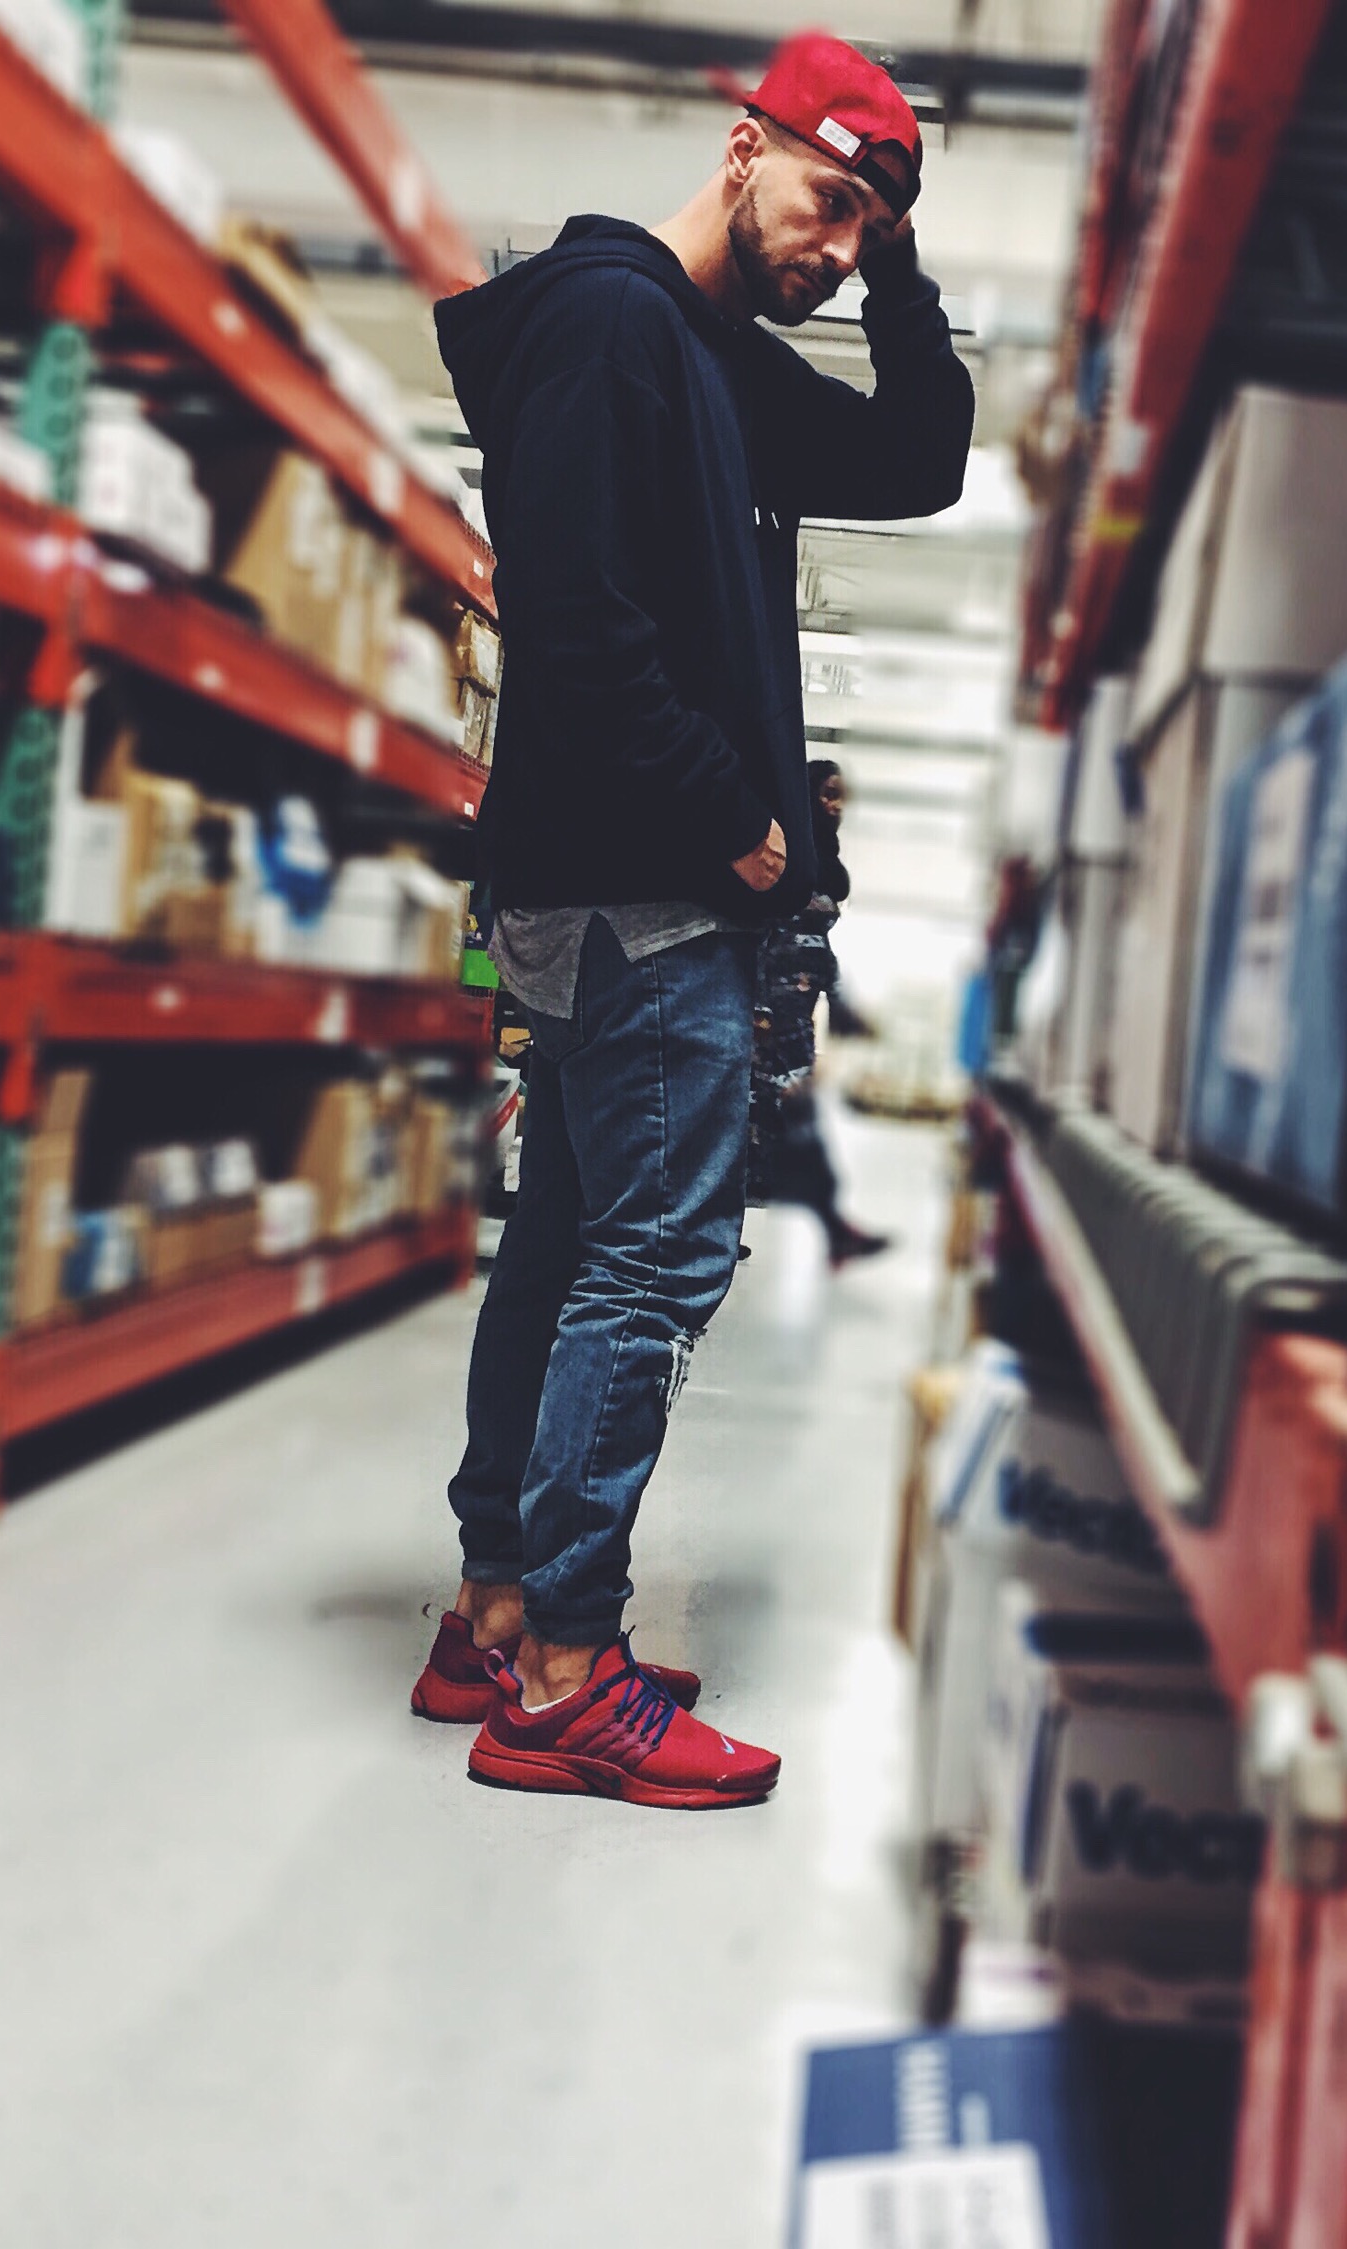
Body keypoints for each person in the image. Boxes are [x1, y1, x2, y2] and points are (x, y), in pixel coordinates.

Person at [410, 32, 975, 1808]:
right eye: (828, 198)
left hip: (612, 880)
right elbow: (577, 621)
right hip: (640, 880)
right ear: (742, 148)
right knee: (654, 1258)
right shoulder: (611, 326)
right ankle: (564, 1674)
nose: (838, 247)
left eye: (869, 226)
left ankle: (500, 1609)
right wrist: (737, 824)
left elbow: (923, 458)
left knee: (571, 1236)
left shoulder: (714, 358)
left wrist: (903, 267)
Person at [752, 760, 891, 1266]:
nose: (837, 805)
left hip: (798, 1017)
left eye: (842, 796)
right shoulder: (785, 852)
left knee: (779, 1123)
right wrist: (759, 1010)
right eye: (829, 793)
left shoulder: (821, 855)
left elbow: (818, 949)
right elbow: (766, 933)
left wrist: (840, 1001)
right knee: (770, 1122)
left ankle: (833, 1230)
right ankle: (834, 1229)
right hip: (772, 1016)